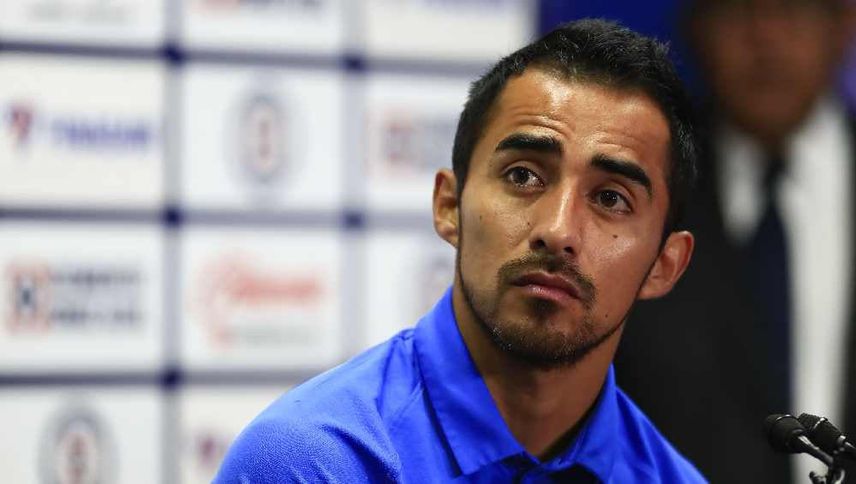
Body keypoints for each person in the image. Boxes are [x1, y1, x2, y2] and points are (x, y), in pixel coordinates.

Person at [214, 19, 704, 483]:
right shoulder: (313, 462)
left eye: (611, 199)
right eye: (523, 176)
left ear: (665, 265)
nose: (558, 230)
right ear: (449, 206)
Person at [614, 0, 856, 482]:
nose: (766, 36)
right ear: (694, 27)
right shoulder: (633, 192)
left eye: (793, 10)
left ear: (844, 25)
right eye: (737, 8)